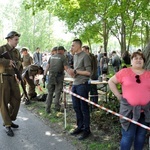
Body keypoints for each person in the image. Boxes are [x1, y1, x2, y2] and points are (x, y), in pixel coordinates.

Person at [108, 51, 150, 150]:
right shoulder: (124, 72)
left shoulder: (148, 74)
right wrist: (118, 95)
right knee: (128, 136)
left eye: (141, 58)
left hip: (145, 111)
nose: (138, 60)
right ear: (131, 61)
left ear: (144, 61)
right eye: (136, 58)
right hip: (128, 111)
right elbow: (111, 81)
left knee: (141, 137)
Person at [0, 31, 22, 137]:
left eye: (17, 39)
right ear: (9, 39)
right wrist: (6, 62)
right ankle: (7, 125)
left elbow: (20, 63)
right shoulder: (2, 49)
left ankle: (10, 119)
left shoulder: (17, 52)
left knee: (17, 99)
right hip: (3, 78)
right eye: (16, 39)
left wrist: (19, 75)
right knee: (4, 102)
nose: (17, 42)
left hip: (13, 78)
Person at [70, 39, 91, 140]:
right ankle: (80, 126)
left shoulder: (85, 56)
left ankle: (87, 129)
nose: (72, 47)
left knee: (84, 108)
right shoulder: (74, 56)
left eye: (73, 45)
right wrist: (72, 76)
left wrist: (76, 71)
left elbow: (88, 72)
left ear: (78, 46)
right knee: (76, 107)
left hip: (82, 84)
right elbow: (75, 71)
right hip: (75, 84)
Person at [43, 46, 70, 113]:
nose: (64, 52)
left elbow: (47, 67)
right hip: (59, 77)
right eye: (64, 51)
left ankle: (47, 109)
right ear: (61, 50)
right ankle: (57, 107)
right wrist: (73, 75)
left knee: (50, 93)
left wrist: (44, 75)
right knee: (58, 92)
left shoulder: (51, 57)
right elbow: (66, 68)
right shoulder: (63, 57)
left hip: (51, 76)